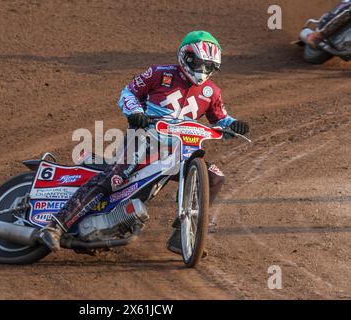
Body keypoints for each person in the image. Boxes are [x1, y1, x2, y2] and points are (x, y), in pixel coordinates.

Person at [35, 30, 250, 255]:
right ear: (186, 58)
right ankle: (55, 226)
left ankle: (182, 235)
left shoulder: (212, 92)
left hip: (183, 149)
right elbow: (129, 92)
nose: (203, 71)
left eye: (209, 67)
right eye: (199, 64)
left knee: (215, 176)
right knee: (116, 176)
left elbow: (220, 119)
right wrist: (136, 112)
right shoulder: (159, 73)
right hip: (146, 136)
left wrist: (234, 125)